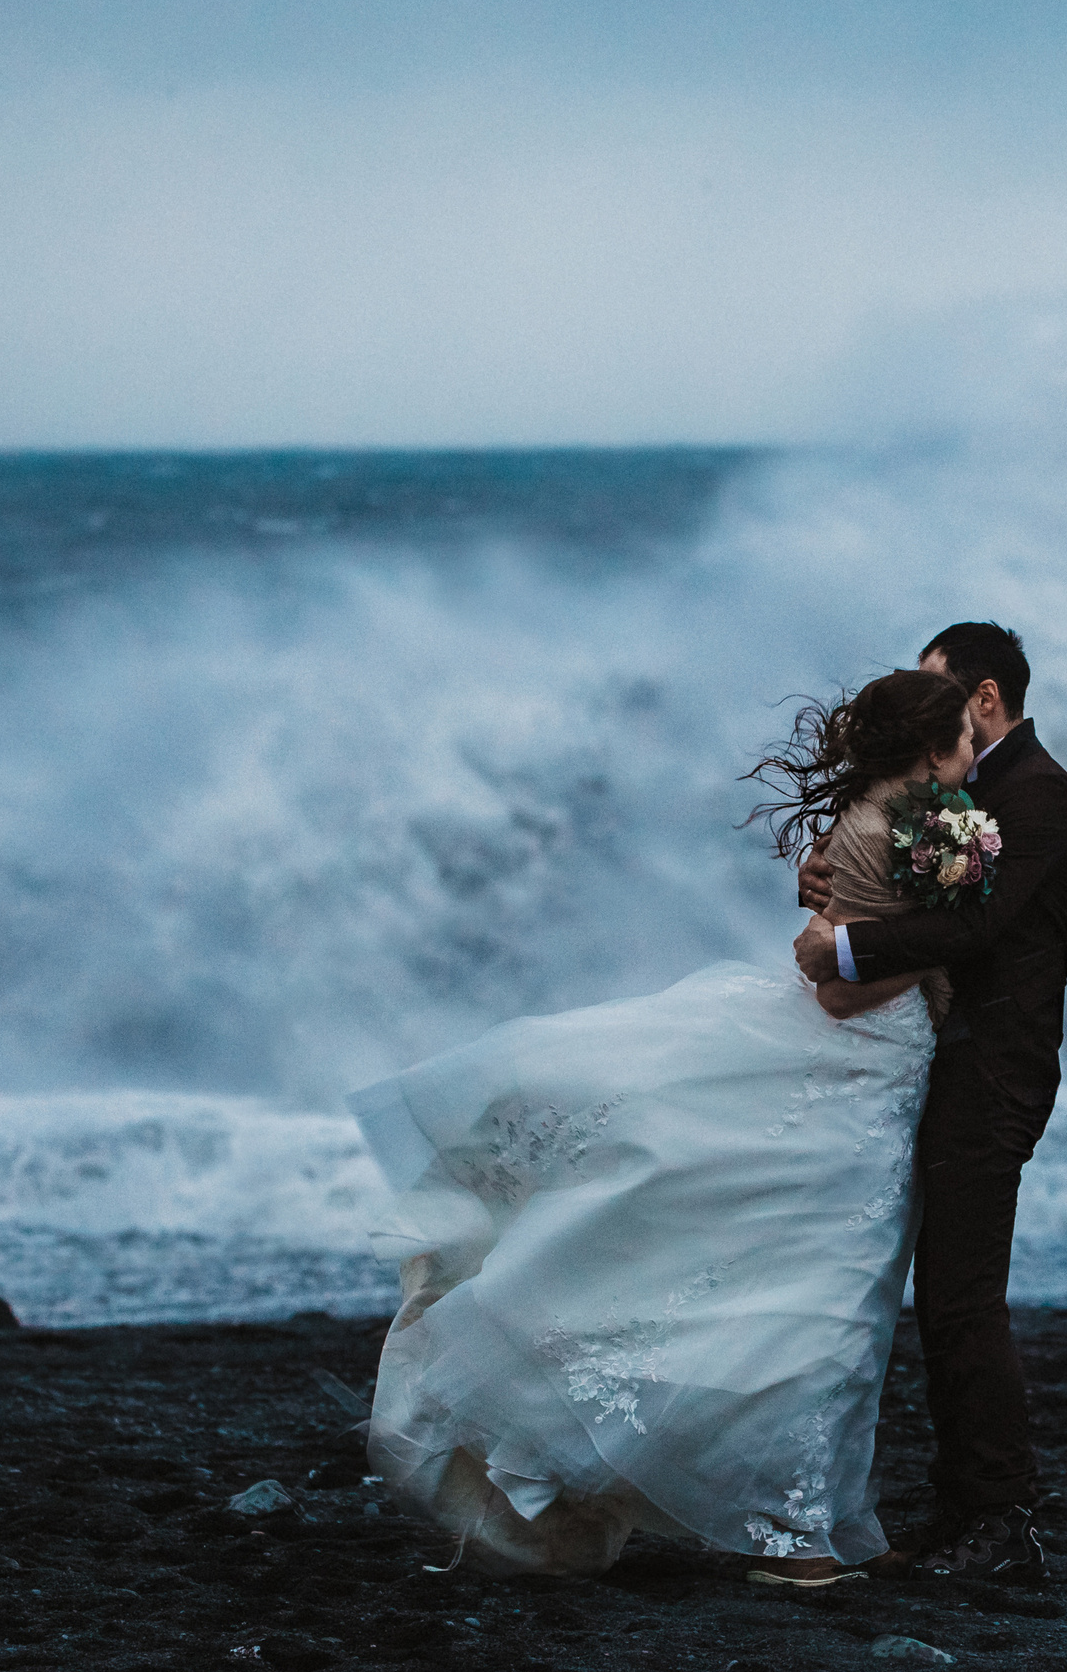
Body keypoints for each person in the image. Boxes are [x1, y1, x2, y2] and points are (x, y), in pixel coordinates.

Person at [348, 668, 976, 1585]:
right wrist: (938, 947)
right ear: (931, 752)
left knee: (832, 1296)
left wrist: (917, 933)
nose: (972, 756)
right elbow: (838, 991)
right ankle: (794, 1539)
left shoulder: (903, 828)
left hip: (873, 1085)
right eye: (962, 740)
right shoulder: (886, 830)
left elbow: (849, 943)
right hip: (851, 1076)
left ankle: (803, 1524)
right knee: (832, 1298)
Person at [793, 622, 1067, 1582]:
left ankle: (1002, 1519)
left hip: (996, 1067)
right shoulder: (958, 791)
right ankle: (965, 1508)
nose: (927, 714)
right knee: (942, 1302)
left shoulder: (1037, 795)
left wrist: (841, 949)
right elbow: (907, 885)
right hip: (939, 1061)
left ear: (988, 698)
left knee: (964, 1298)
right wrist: (835, 890)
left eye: (942, 696)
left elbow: (982, 925)